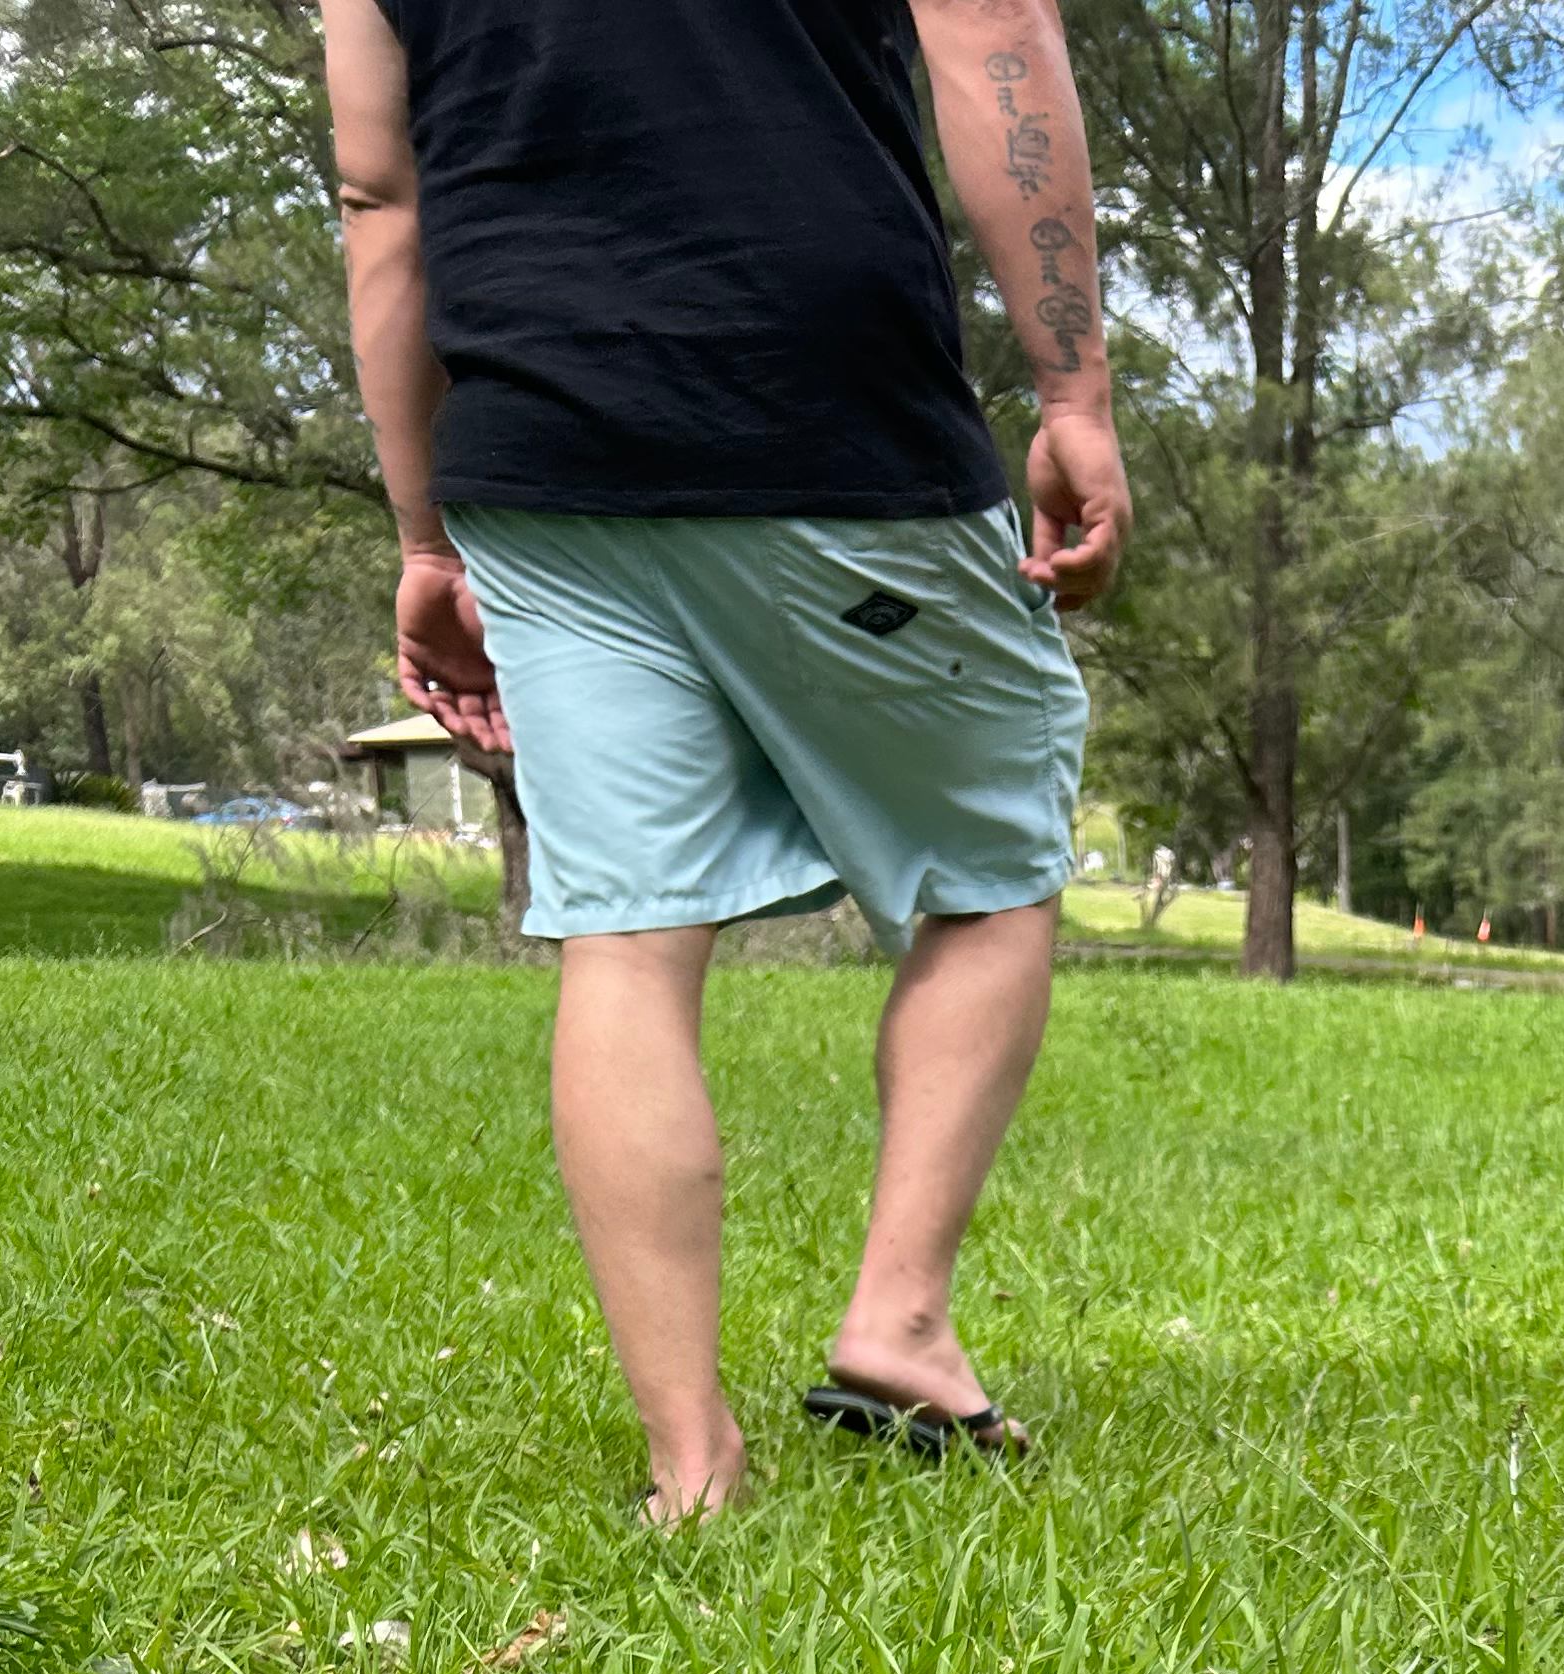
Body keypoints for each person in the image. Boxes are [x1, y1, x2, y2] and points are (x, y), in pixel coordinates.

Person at [321, 0, 1132, 1522]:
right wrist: (1074, 397)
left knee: (625, 935)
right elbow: (993, 28)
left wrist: (426, 538)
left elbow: (383, 197)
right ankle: (899, 1323)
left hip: (538, 457)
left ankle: (691, 1464)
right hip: (828, 409)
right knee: (995, 867)